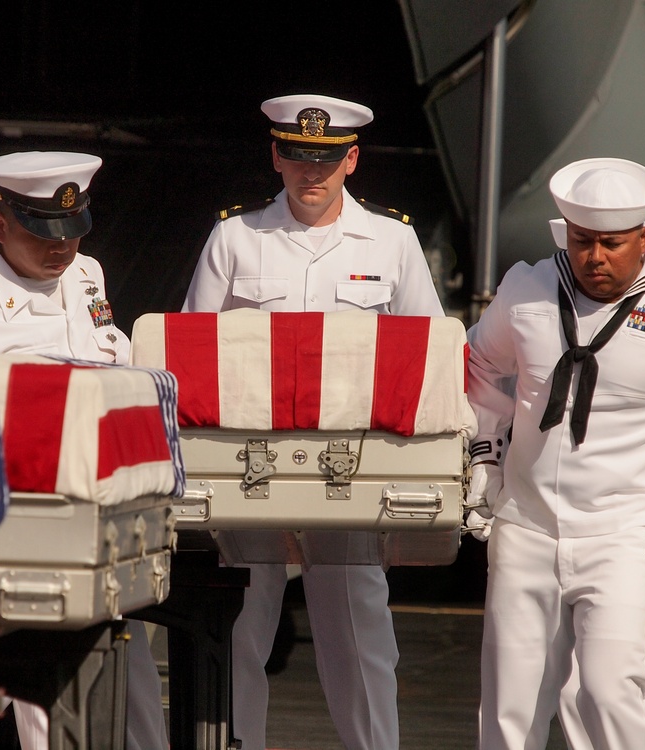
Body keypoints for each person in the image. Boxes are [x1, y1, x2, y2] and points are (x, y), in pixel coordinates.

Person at [183, 93, 445, 750]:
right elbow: (191, 351)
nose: (312, 174)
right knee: (239, 628)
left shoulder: (394, 239)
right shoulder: (234, 238)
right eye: (298, 157)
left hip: (351, 465)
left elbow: (432, 354)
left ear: (352, 159)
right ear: (276, 156)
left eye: (327, 159)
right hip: (249, 463)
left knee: (359, 633)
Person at [466, 156, 645, 749]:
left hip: (627, 534)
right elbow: (477, 368)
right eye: (581, 241)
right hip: (527, 526)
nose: (594, 257)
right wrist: (485, 455)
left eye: (611, 244)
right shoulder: (526, 290)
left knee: (609, 690)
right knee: (508, 708)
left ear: (644, 237)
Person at [0, 151, 165, 750]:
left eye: (73, 231)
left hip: (104, 526)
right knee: (50, 712)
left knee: (133, 694)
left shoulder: (86, 276)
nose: (62, 248)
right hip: (21, 539)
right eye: (45, 232)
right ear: (0, 226)